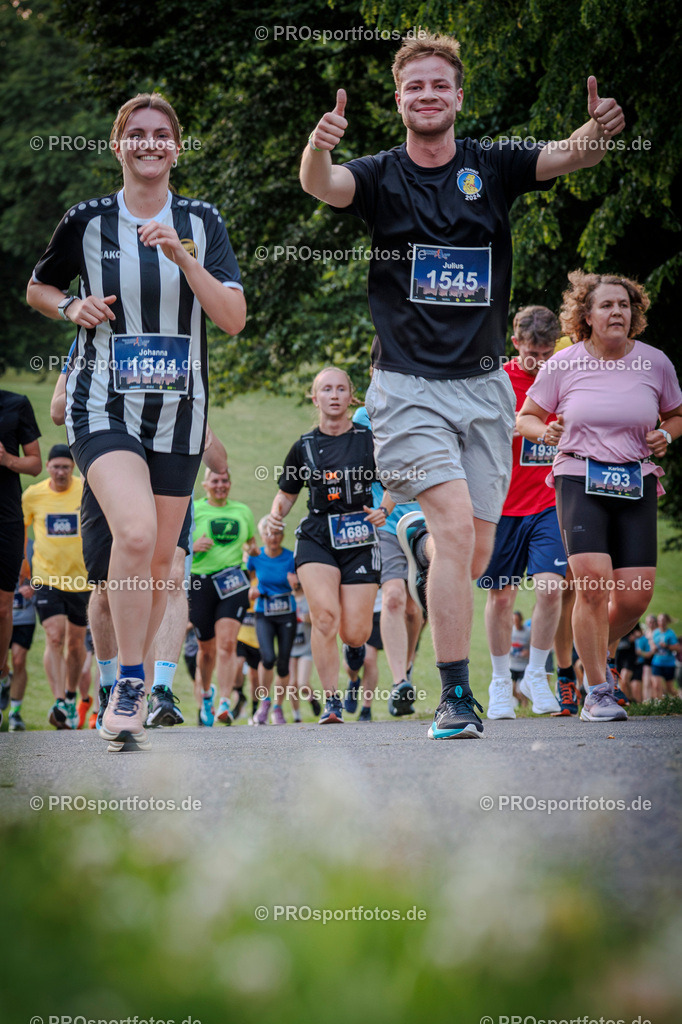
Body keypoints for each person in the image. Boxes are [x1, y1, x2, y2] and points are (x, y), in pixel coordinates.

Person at [302, 31, 626, 739]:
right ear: (399, 100)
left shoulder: (491, 164)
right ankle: (455, 697)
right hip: (407, 388)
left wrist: (598, 131)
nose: (426, 96)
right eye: (413, 87)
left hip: (483, 393)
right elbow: (322, 185)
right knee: (454, 532)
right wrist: (319, 145)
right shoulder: (381, 174)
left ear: (455, 96)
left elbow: (574, 154)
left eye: (437, 85)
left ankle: (425, 547)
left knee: (473, 556)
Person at [28, 91, 245, 750]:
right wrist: (71, 309)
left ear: (176, 147)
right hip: (104, 404)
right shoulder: (88, 221)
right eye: (137, 134)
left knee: (155, 561)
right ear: (119, 145)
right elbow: (39, 286)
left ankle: (135, 680)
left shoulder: (202, 221)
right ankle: (127, 681)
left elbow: (233, 320)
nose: (150, 144)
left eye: (162, 134)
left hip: (180, 412)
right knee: (134, 530)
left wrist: (183, 257)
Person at [517, 272, 682, 722]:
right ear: (586, 316)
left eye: (625, 305)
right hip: (578, 473)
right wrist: (545, 430)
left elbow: (676, 414)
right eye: (607, 305)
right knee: (592, 582)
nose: (617, 313)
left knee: (635, 595)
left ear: (635, 314)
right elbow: (526, 418)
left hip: (635, 478)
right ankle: (597, 690)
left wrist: (666, 434)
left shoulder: (655, 363)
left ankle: (597, 650)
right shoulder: (564, 363)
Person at [266, 367, 388, 724]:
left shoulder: (370, 440)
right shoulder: (304, 446)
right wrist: (275, 516)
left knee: (356, 631)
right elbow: (286, 496)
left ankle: (354, 652)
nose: (333, 396)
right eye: (326, 390)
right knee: (323, 618)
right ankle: (332, 701)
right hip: (317, 535)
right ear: (314, 397)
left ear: (352, 397)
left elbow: (396, 482)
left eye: (340, 389)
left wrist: (384, 510)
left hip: (360, 535)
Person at [477, 306, 567, 719]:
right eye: (533, 353)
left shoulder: (567, 377)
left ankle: (536, 674)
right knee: (501, 596)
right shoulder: (496, 381)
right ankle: (499, 682)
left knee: (550, 588)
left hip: (549, 500)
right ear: (515, 344)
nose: (540, 361)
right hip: (501, 505)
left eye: (547, 353)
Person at [352, 403, 424, 716]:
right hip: (384, 522)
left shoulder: (424, 409)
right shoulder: (363, 418)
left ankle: (405, 670)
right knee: (393, 597)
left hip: (424, 520)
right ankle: (399, 683)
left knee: (414, 608)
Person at [21, 444, 91, 730]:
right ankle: (59, 700)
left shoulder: (86, 489)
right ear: (48, 467)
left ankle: (72, 695)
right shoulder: (33, 495)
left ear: (72, 467)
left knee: (75, 645)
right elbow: (20, 532)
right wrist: (25, 569)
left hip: (82, 579)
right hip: (46, 578)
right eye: (56, 466)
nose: (61, 472)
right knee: (54, 637)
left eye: (66, 466)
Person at [190, 468, 257, 725]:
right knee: (206, 650)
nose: (221, 485)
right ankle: (207, 694)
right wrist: (192, 547)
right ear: (205, 484)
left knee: (228, 644)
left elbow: (251, 543)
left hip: (232, 582)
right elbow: (173, 543)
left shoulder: (242, 511)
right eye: (215, 480)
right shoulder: (194, 510)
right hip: (200, 583)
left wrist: (253, 549)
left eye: (225, 480)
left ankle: (225, 702)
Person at [0, 388, 41, 727]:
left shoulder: (16, 404)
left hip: (5, 516)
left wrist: (7, 460)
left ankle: (2, 675)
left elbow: (34, 463)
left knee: (2, 607)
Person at [248, 518, 298, 726]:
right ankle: (264, 703)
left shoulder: (291, 558)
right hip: (264, 613)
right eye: (269, 534)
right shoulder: (255, 557)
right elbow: (249, 579)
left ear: (282, 536)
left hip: (287, 612)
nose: (273, 538)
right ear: (262, 536)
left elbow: (302, 588)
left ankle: (278, 707)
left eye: (277, 533)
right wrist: (252, 589)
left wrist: (297, 584)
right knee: (268, 658)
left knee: (284, 664)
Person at [651, 613, 678, 698]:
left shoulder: (670, 633)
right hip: (657, 663)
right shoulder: (655, 633)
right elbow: (652, 644)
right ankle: (658, 707)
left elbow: (677, 648)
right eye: (659, 620)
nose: (661, 622)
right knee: (656, 686)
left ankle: (678, 699)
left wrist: (666, 646)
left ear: (666, 622)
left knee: (669, 689)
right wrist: (654, 648)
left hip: (669, 663)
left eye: (663, 620)